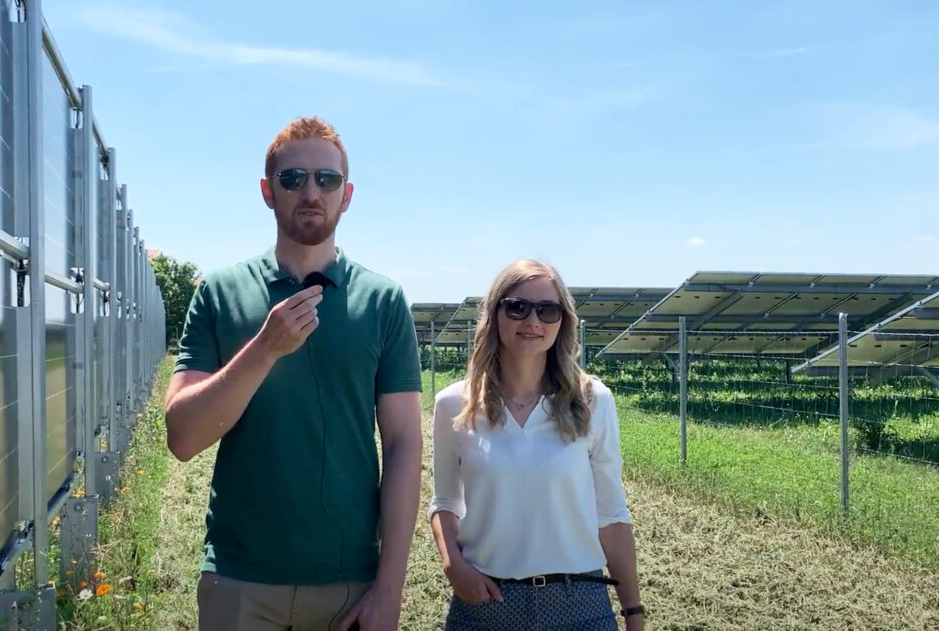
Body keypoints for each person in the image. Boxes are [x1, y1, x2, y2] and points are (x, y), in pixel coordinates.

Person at [165, 117, 423, 631]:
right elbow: (182, 437)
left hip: (349, 582)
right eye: (292, 179)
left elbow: (403, 445)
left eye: (326, 180)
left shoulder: (382, 301)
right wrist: (264, 350)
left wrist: (389, 590)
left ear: (346, 195)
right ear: (267, 192)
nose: (311, 192)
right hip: (240, 579)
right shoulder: (220, 293)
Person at [428, 259, 645, 631]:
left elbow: (610, 515)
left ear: (563, 321)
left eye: (547, 310)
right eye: (517, 307)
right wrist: (454, 566)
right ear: (494, 313)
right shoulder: (454, 404)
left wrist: (633, 613)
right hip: (484, 603)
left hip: (580, 603)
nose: (533, 322)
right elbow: (446, 502)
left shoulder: (593, 401)